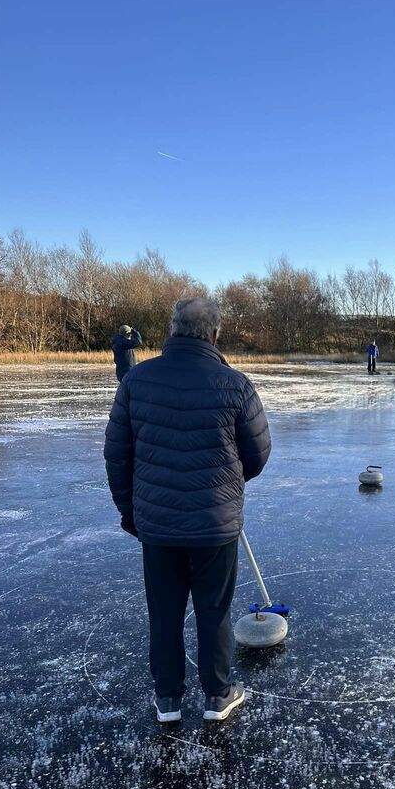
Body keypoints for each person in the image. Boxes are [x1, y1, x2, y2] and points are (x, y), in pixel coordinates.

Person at [103, 298, 271, 724]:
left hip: (157, 525)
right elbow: (258, 453)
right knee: (213, 610)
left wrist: (132, 513)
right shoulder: (234, 384)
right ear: (215, 335)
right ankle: (217, 695)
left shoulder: (137, 380)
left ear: (172, 330)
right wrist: (223, 488)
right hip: (215, 524)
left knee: (164, 611)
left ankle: (168, 699)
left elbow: (116, 456)